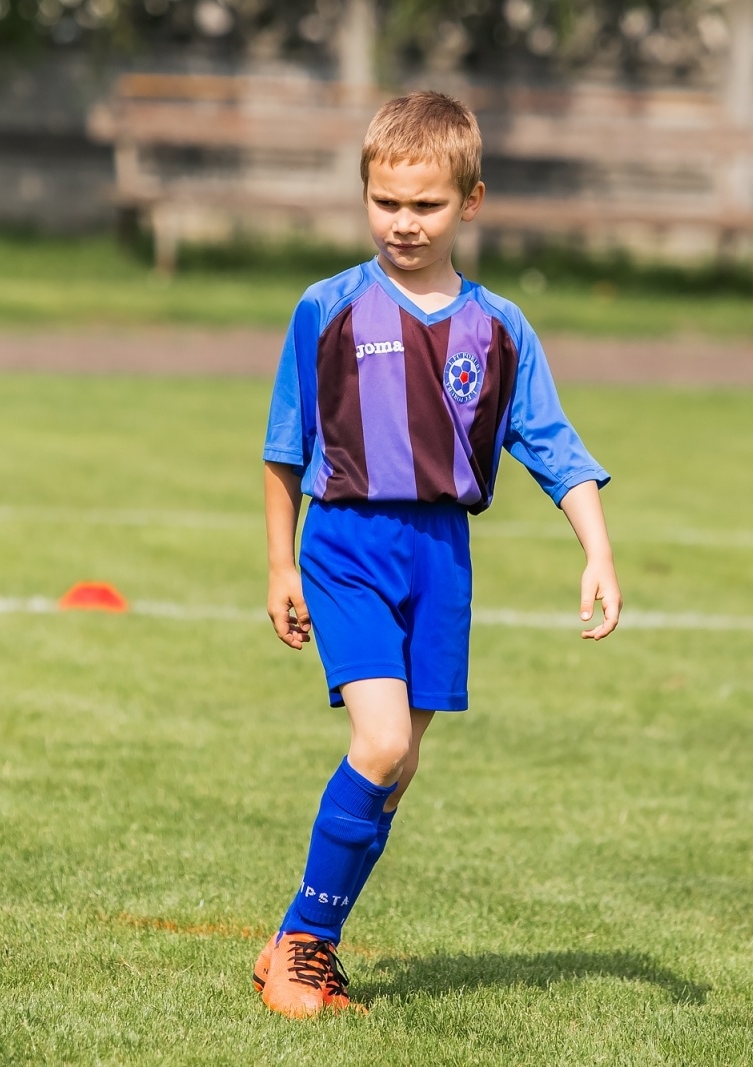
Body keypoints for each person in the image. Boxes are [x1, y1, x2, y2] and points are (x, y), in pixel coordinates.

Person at [255, 90, 622, 1016]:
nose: (404, 223)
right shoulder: (327, 308)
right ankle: (305, 950)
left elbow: (553, 446)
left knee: (401, 765)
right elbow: (284, 449)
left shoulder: (499, 328)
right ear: (364, 196)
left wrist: (598, 553)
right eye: (386, 203)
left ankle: (294, 945)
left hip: (442, 555)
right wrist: (279, 564)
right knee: (377, 744)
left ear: (472, 201)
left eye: (425, 205)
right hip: (347, 545)